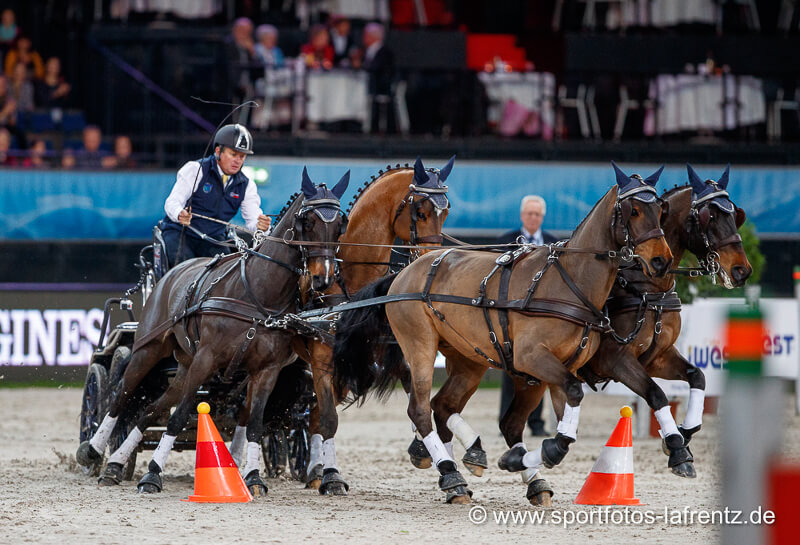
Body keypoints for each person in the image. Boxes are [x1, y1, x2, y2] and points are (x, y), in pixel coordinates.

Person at [159, 123, 271, 266]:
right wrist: (180, 214)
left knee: (227, 271)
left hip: (213, 238)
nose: (238, 160)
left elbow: (253, 220)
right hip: (181, 233)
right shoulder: (195, 169)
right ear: (218, 151)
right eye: (233, 154)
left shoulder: (247, 185)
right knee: (183, 266)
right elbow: (172, 202)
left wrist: (262, 226)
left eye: (242, 156)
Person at [496, 194, 558, 436]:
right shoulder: (505, 241)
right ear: (522, 216)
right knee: (511, 370)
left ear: (542, 217)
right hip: (511, 315)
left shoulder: (554, 245)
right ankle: (507, 422)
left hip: (541, 317)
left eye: (537, 214)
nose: (533, 217)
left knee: (538, 371)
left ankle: (536, 423)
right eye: (529, 213)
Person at [362, 22, 394, 133]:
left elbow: (381, 71)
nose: (364, 37)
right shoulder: (365, 52)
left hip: (379, 87)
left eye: (366, 34)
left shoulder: (385, 53)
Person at [224, 17, 256, 103]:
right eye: (243, 30)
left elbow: (257, 68)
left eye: (248, 32)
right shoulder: (227, 44)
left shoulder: (249, 46)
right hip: (230, 86)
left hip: (247, 85)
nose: (245, 34)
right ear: (235, 30)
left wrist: (253, 51)